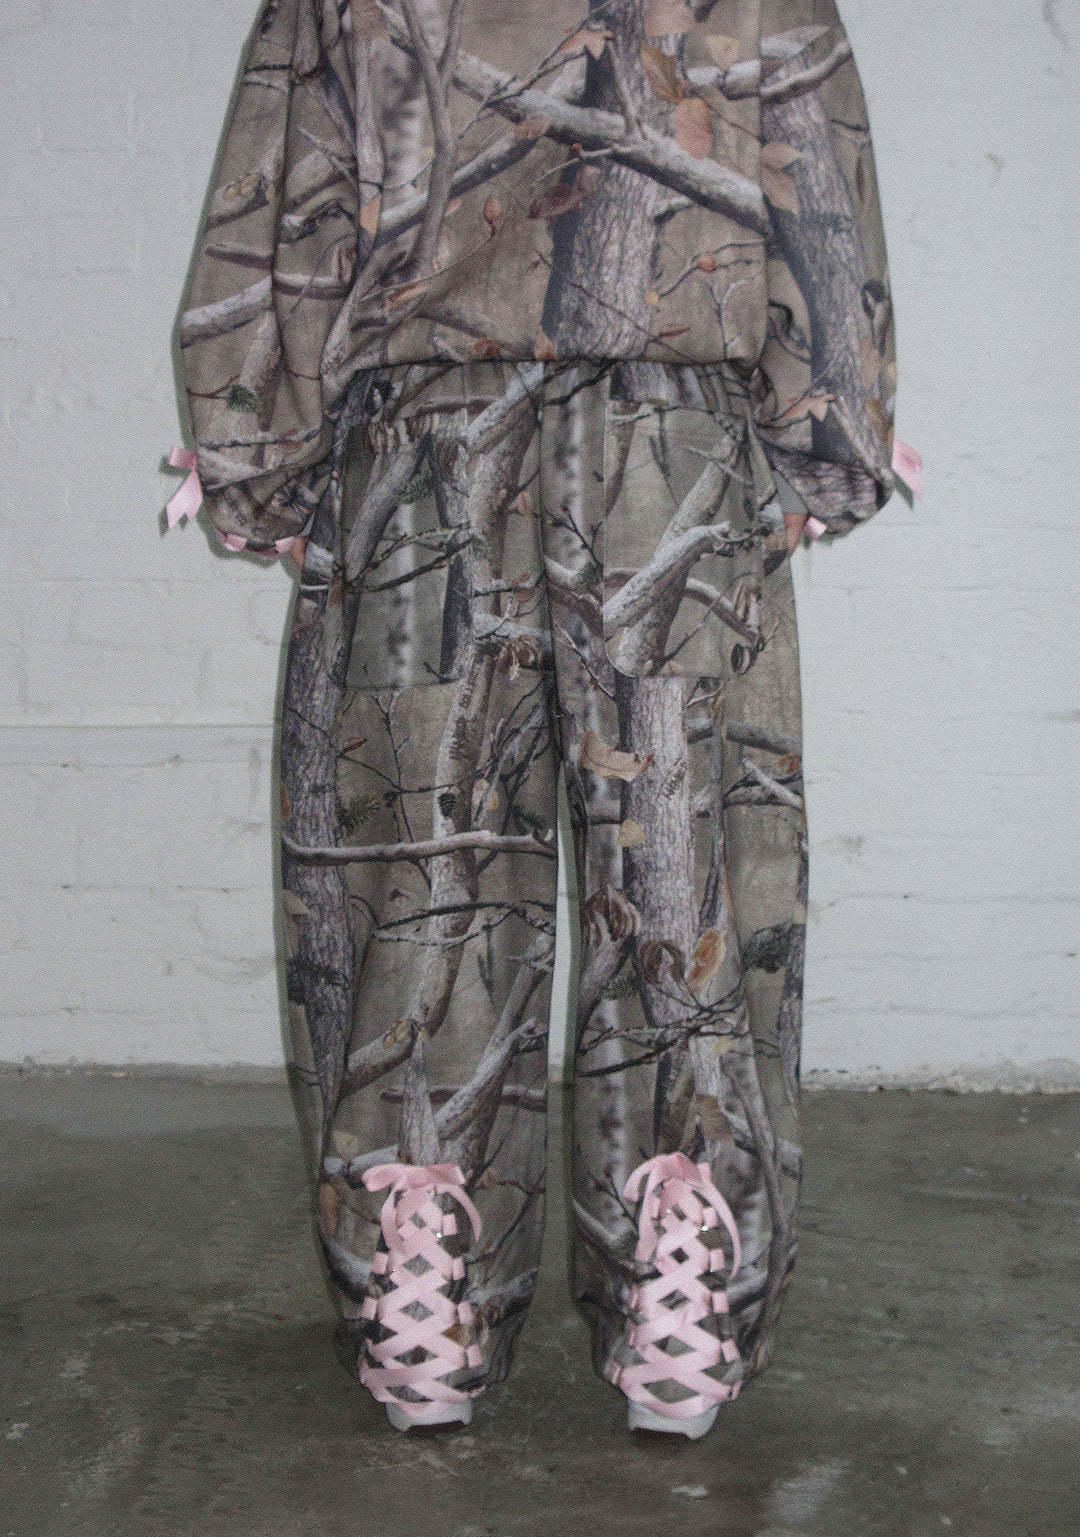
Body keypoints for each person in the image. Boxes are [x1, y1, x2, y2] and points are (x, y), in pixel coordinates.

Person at [168, 0, 907, 1437]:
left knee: (423, 853)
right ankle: (681, 1281)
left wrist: (257, 454)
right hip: (673, 446)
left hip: (420, 452)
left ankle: (424, 1280)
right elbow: (820, 178)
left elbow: (281, 195)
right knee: (681, 853)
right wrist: (830, 437)